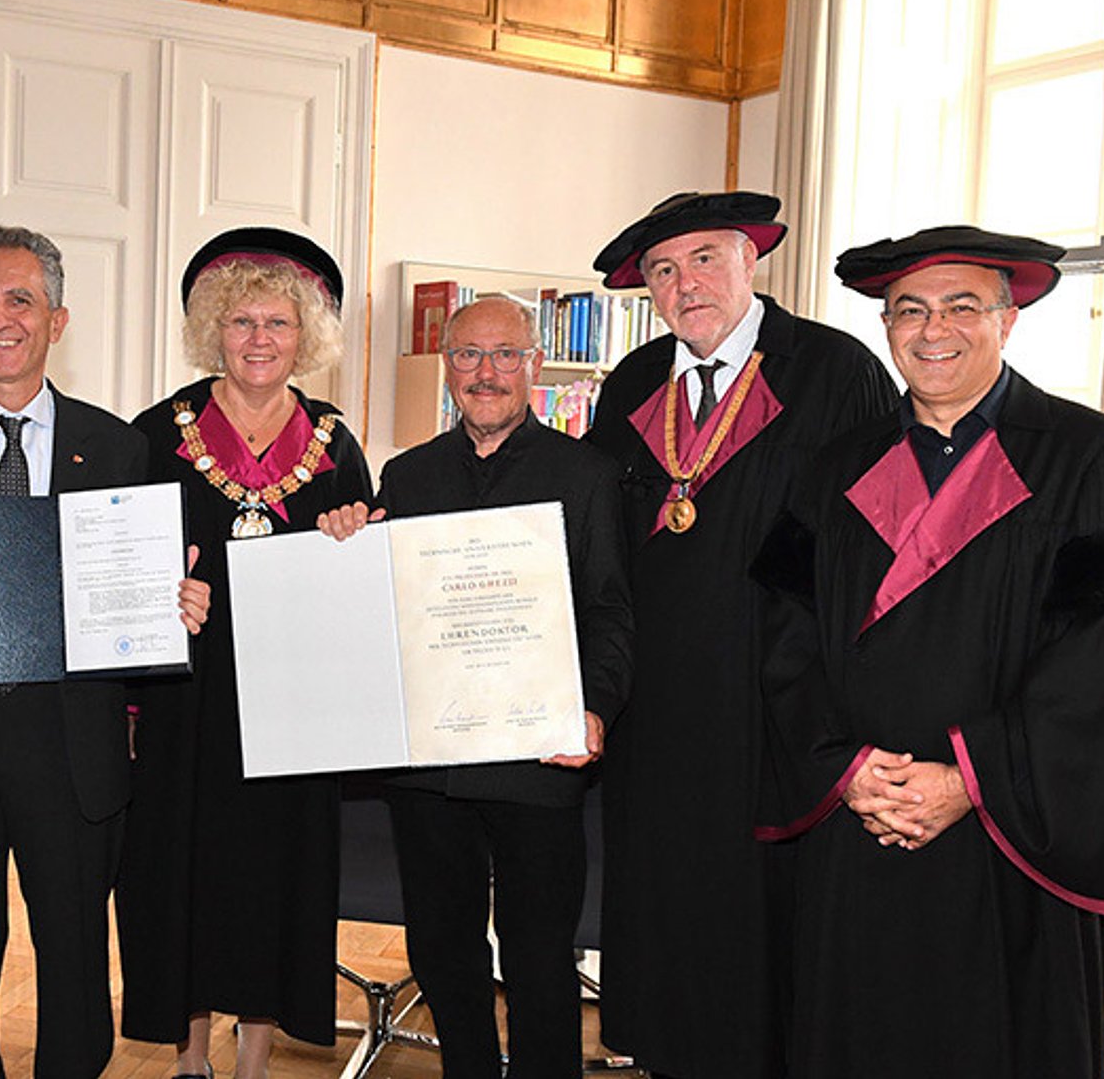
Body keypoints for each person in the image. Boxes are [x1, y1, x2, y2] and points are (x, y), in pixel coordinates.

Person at [752, 225, 1104, 1079]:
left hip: (1012, 829)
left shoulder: (1091, 458)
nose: (932, 331)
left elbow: (1101, 655)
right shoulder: (836, 467)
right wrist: (843, 769)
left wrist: (971, 774)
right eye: (907, 311)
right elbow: (781, 630)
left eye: (962, 307)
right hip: (864, 817)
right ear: (885, 329)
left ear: (1009, 319)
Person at [0, 224, 209, 1079]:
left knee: (76, 967)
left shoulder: (123, 448)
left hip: (74, 750)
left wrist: (176, 607)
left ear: (57, 320)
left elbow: (137, 594)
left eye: (21, 299)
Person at [584, 191, 897, 1078]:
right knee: (664, 908)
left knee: (763, 920)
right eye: (663, 272)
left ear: (749, 260)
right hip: (655, 708)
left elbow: (862, 543)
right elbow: (596, 533)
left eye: (705, 260)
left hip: (775, 701)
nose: (688, 285)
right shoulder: (636, 383)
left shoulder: (832, 371)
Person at [319, 295, 634, 1077]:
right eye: (467, 356)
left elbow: (608, 610)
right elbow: (382, 607)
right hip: (431, 763)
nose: (485, 373)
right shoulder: (408, 474)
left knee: (537, 954)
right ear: (447, 367)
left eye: (503, 355)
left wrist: (595, 708)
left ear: (532, 364)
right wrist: (343, 543)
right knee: (441, 946)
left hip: (538, 756)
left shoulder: (585, 475)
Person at [115, 227, 373, 1079]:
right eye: (241, 323)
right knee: (181, 880)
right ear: (212, 331)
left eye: (279, 323)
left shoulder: (338, 445)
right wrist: (159, 597)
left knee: (275, 883)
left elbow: (365, 589)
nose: (260, 340)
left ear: (308, 338)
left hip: (295, 710)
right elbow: (113, 569)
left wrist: (352, 536)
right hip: (184, 705)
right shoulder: (154, 435)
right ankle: (190, 1062)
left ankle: (255, 1060)